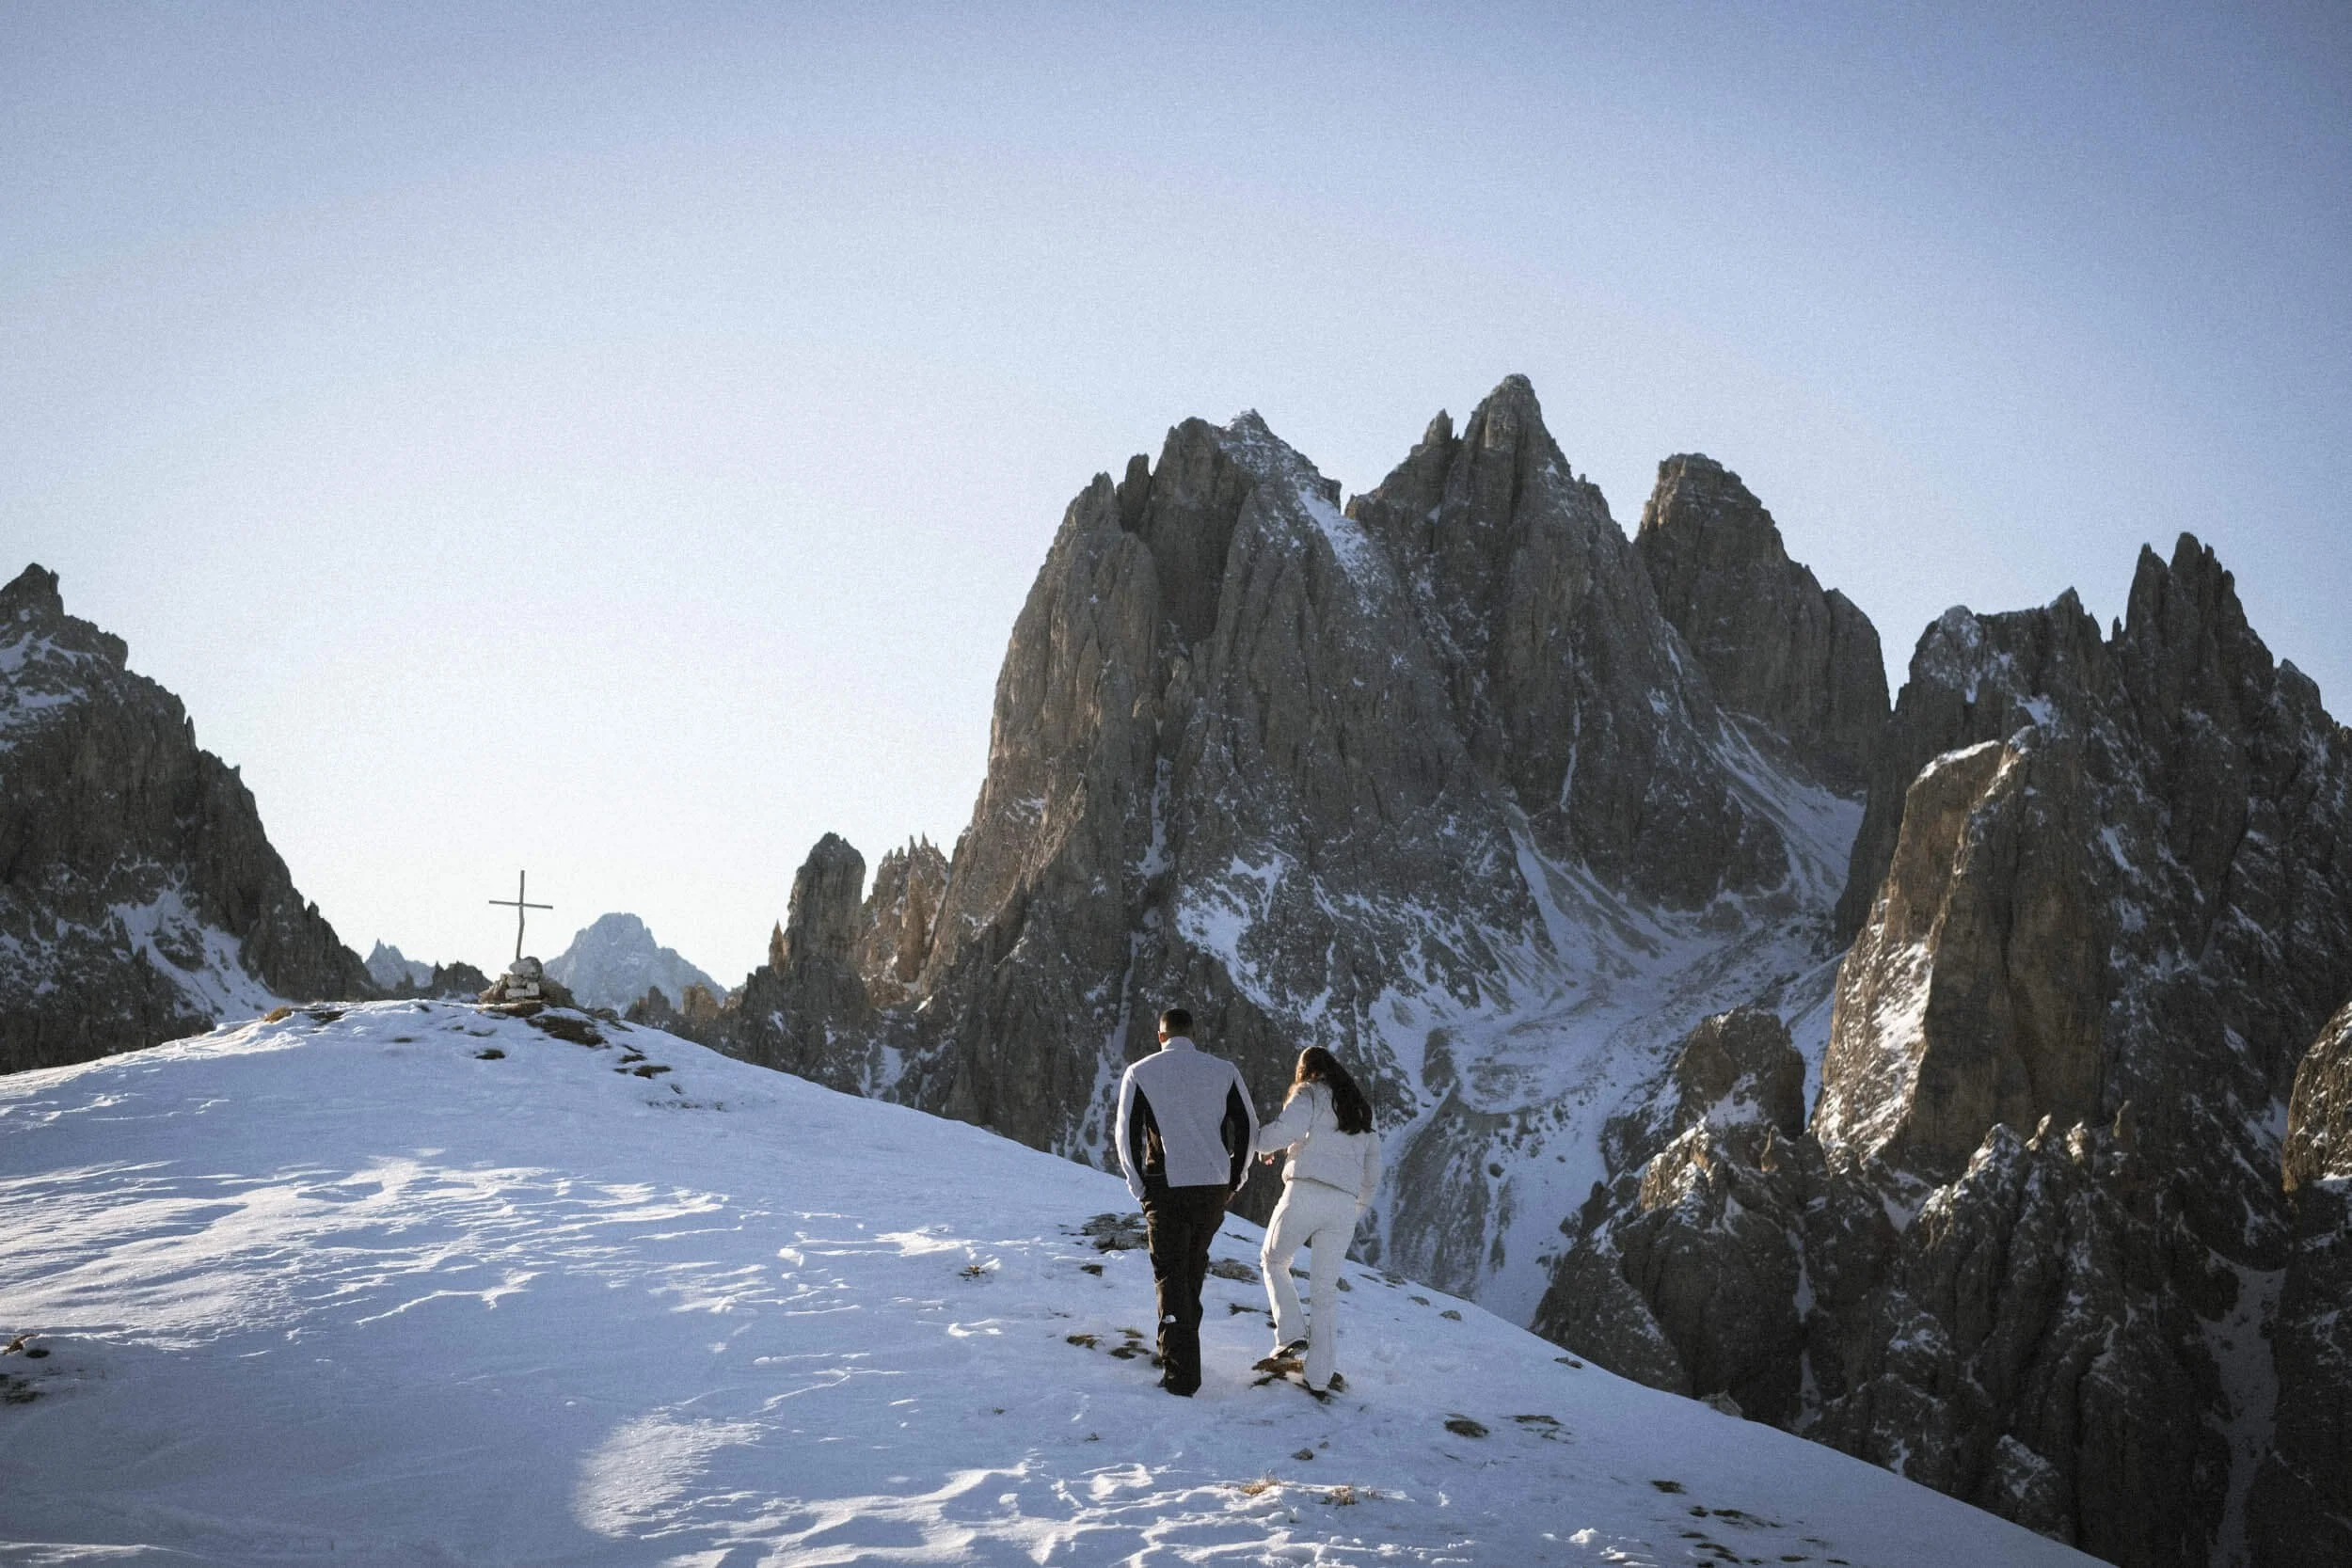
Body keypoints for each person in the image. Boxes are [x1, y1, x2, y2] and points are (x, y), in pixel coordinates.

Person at [1113, 1006, 1258, 1397]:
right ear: (1193, 1035)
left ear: (1161, 1037)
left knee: (1170, 1275)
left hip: (1166, 1187)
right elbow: (1248, 1125)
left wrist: (1139, 1187)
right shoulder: (1223, 1070)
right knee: (1191, 1269)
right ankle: (1181, 1352)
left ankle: (1181, 1376)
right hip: (1212, 1188)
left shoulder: (1141, 1072)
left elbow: (1125, 1135)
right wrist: (1234, 1179)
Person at [1253, 1047, 1381, 1395]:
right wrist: (1352, 1210)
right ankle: (1320, 1377)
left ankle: (1291, 1334)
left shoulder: (1308, 1093)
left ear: (1306, 1070)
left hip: (1305, 1191)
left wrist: (1258, 1144)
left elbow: (1284, 1130)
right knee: (1325, 1291)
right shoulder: (1360, 1111)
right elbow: (1373, 1175)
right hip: (1342, 1205)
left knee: (1274, 1260)